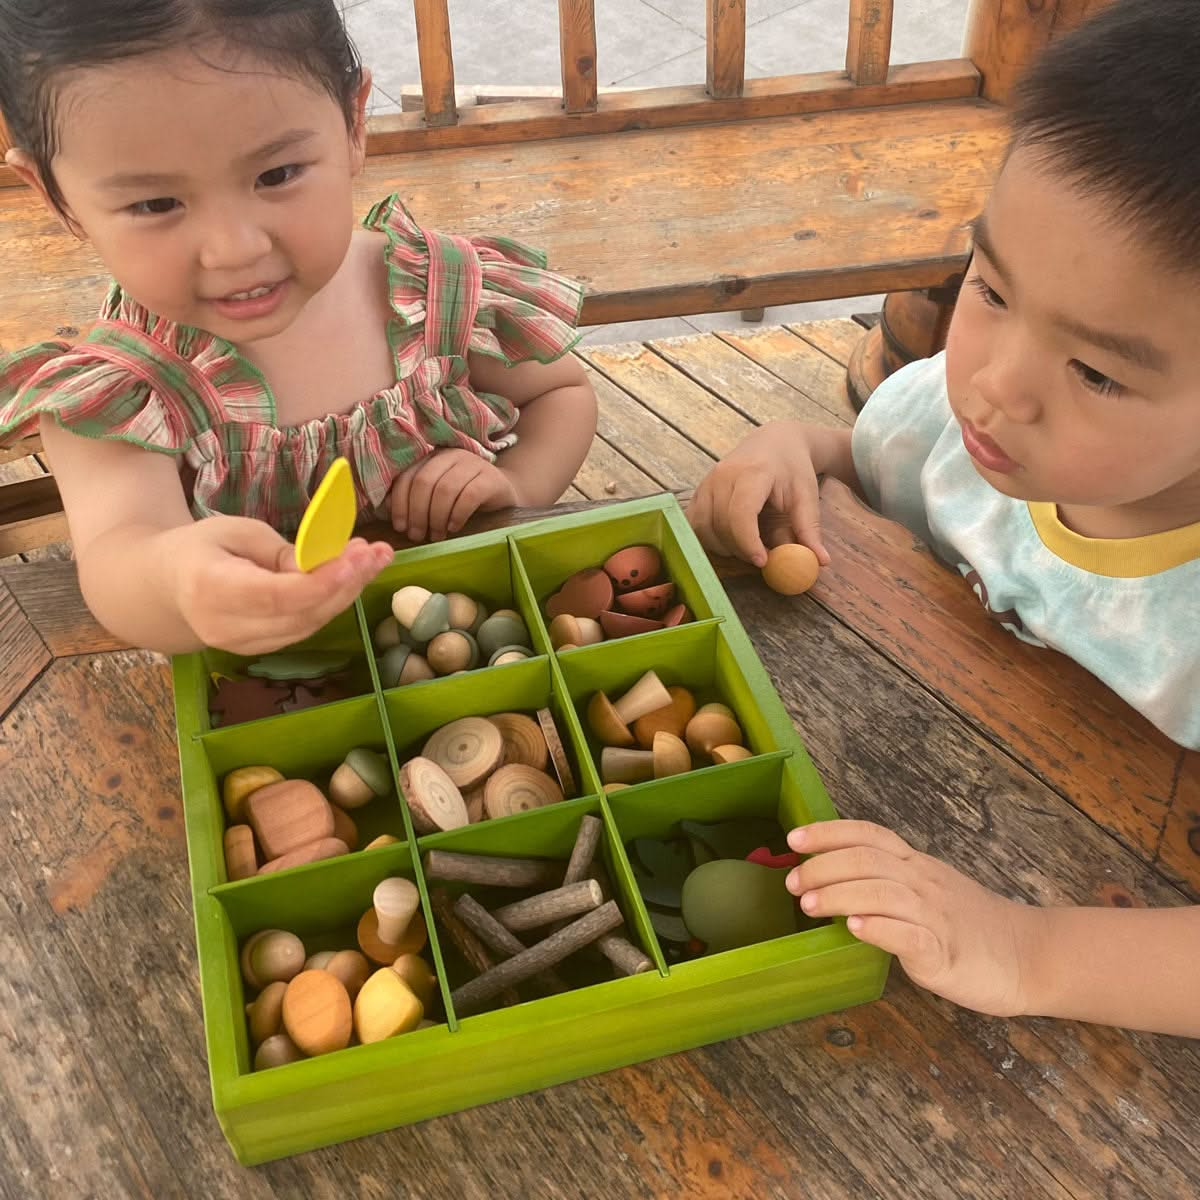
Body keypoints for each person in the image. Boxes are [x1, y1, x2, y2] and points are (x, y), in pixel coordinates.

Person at [689, 0, 1200, 1036]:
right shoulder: (953, 429)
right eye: (993, 290)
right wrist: (795, 446)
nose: (995, 390)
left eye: (1098, 370)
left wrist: (1032, 950)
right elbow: (872, 454)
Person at [0, 0, 596, 656]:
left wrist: (517, 485)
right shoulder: (124, 395)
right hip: (272, 689)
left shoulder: (435, 297)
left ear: (352, 122)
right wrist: (179, 582)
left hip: (472, 646)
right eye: (156, 203)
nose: (234, 249)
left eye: (276, 174)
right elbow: (119, 563)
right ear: (55, 195)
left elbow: (562, 394)